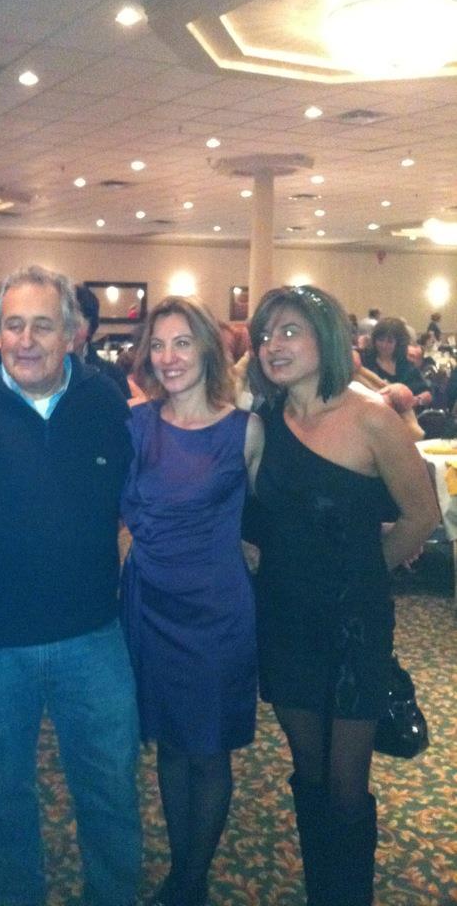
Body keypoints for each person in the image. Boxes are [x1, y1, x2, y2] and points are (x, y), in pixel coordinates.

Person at [0, 265, 141, 906]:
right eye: (14, 325)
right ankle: (15, 891)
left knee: (110, 782)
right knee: (3, 787)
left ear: (72, 333)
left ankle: (112, 894)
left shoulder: (106, 400)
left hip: (92, 631)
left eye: (43, 325)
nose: (27, 340)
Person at [248, 285, 438, 906]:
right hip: (282, 617)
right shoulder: (267, 422)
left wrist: (359, 571)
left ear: (325, 337)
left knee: (345, 783)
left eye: (290, 332)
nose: (273, 345)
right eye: (267, 334)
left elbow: (421, 515)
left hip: (355, 625)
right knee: (307, 771)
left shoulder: (371, 417)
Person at [121, 296, 264, 906]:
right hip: (149, 605)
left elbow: (272, 518)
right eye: (158, 344)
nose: (168, 357)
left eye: (181, 342)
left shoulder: (245, 429)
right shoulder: (134, 423)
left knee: (208, 749)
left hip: (215, 612)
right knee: (172, 744)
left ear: (208, 347)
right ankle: (182, 872)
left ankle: (190, 880)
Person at [74, 283, 131, 398]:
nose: (68, 329)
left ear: (91, 327)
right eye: (63, 320)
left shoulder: (112, 374)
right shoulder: (40, 371)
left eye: (76, 322)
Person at [361, 316, 432, 408]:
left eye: (390, 341)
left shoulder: (406, 366)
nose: (384, 345)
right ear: (374, 340)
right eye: (380, 340)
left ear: (398, 344)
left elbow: (427, 394)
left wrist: (415, 401)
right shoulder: (365, 361)